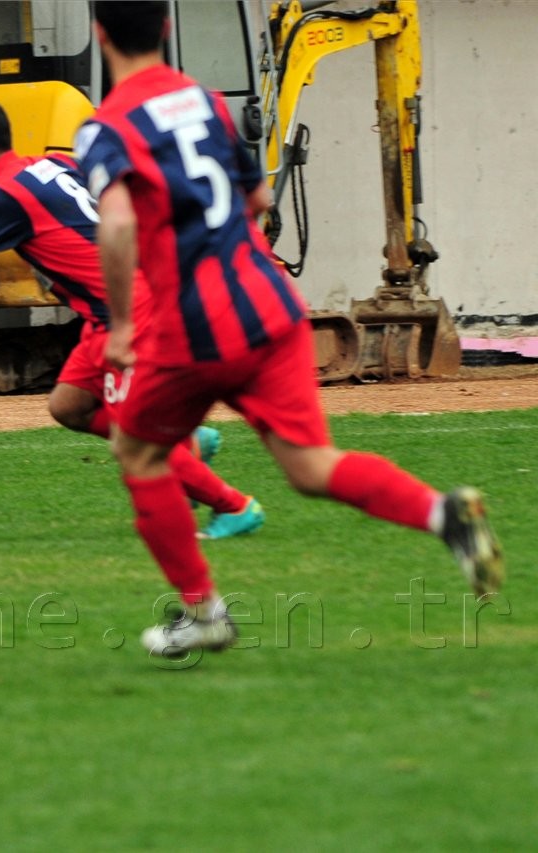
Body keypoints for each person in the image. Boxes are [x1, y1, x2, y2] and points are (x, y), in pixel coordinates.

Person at [77, 1, 503, 656]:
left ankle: (206, 611)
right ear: (167, 27)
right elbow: (259, 199)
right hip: (271, 305)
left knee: (139, 453)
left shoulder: (105, 128)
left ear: (99, 33)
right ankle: (441, 513)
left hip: (195, 325)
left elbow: (118, 222)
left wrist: (125, 324)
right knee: (309, 466)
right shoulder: (207, 104)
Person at [0, 98, 262, 539]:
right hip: (109, 312)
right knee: (68, 405)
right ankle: (191, 444)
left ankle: (234, 507)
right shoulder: (51, 165)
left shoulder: (0, 195)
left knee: (136, 439)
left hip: (127, 312)